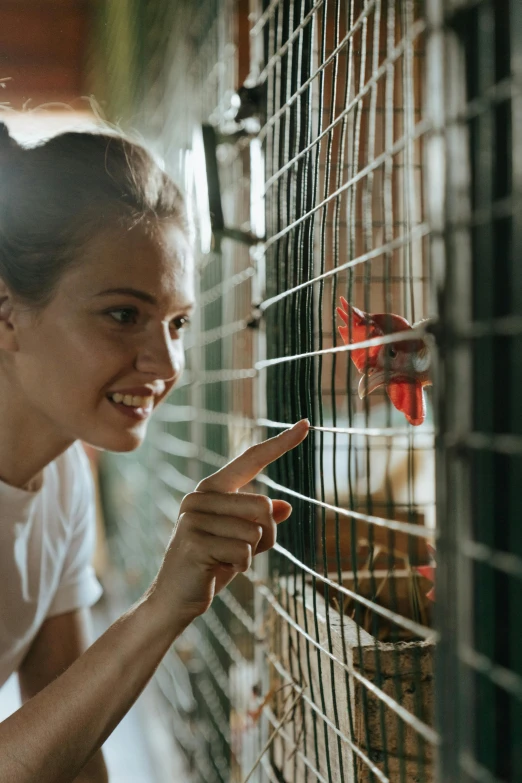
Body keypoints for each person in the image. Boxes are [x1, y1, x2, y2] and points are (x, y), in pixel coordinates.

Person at [0, 122, 309, 782]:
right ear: (5, 310)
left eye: (177, 323)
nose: (166, 363)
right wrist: (161, 609)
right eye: (122, 315)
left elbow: (69, 755)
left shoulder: (62, 482)